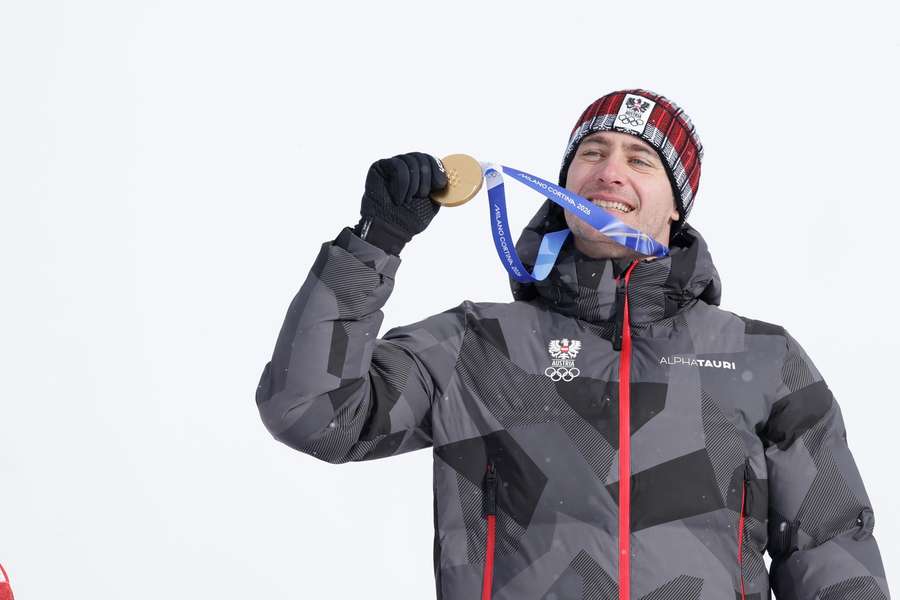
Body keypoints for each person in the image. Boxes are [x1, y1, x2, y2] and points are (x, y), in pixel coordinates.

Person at [254, 89, 891, 600]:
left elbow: (830, 547)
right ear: (564, 184)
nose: (610, 171)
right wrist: (372, 244)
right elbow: (313, 415)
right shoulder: (475, 344)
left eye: (640, 160)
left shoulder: (763, 359)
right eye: (592, 153)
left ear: (676, 207)